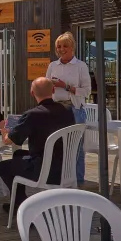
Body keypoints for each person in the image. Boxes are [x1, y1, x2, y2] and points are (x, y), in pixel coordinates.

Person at [0, 77, 75, 212]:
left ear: (32, 93)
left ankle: (23, 205)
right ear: (53, 90)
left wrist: (5, 132)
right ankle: (17, 203)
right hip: (64, 166)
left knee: (4, 166)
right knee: (18, 154)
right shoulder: (67, 111)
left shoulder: (32, 115)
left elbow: (10, 140)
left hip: (43, 170)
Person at [46, 32, 91, 186]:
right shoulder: (52, 65)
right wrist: (49, 88)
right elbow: (47, 87)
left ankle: (78, 182)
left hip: (74, 109)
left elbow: (86, 91)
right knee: (57, 146)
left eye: (65, 46)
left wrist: (65, 86)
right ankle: (60, 180)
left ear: (72, 47)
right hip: (56, 110)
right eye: (59, 46)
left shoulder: (81, 66)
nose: (61, 49)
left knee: (76, 148)